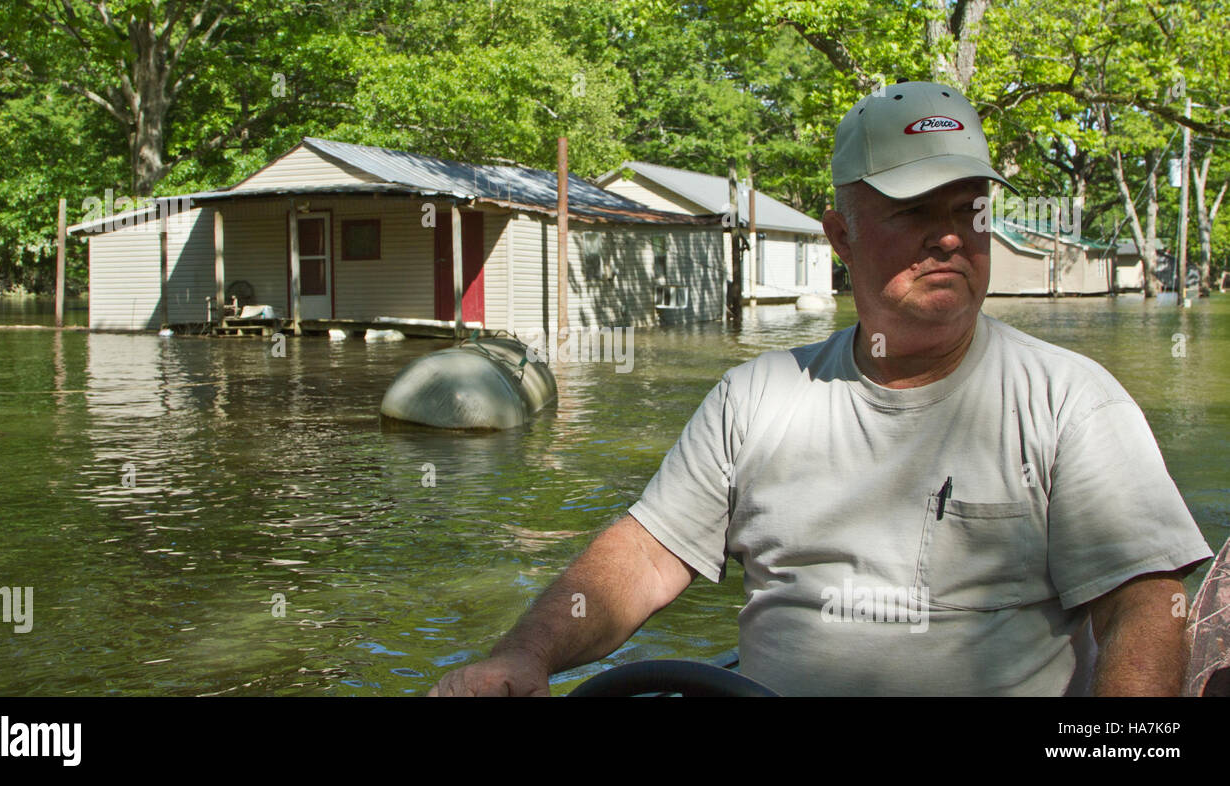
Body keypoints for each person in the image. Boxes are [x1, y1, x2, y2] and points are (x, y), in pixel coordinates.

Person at [428, 81, 1213, 697]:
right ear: (840, 235)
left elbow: (1144, 608)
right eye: (912, 211)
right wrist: (521, 657)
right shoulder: (756, 396)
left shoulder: (1071, 399)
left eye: (968, 210)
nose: (948, 235)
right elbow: (641, 558)